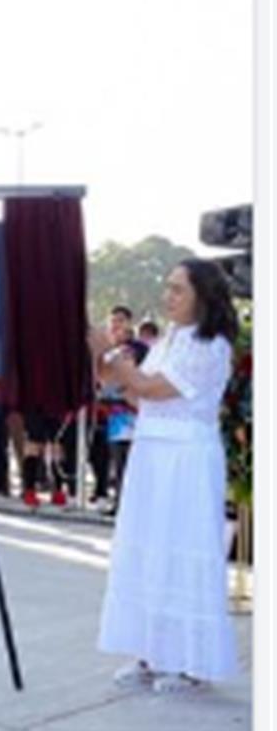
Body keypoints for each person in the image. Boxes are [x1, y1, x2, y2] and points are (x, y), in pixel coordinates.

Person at [94, 259, 242, 693]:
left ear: (203, 296)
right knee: (149, 547)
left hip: (188, 460)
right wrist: (104, 361)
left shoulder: (210, 345)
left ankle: (189, 661)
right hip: (153, 451)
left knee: (183, 547)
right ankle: (150, 651)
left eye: (178, 289)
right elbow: (140, 397)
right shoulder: (170, 339)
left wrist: (115, 361)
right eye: (169, 288)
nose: (169, 297)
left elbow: (152, 387)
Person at [91, 307, 147, 506]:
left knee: (127, 460)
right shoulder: (107, 350)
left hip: (132, 411)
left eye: (121, 321)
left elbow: (125, 373)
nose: (116, 325)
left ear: (130, 324)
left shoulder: (136, 348)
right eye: (113, 321)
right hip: (113, 413)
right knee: (114, 458)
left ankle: (127, 503)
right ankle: (118, 500)